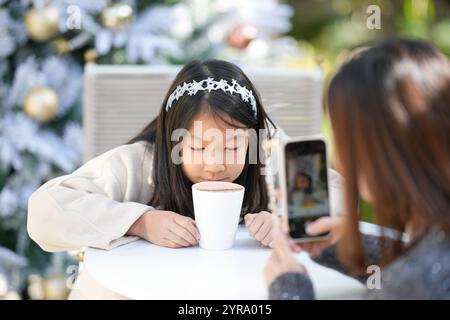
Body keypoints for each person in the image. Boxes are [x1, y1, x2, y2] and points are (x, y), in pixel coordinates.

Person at [27, 60, 278, 298]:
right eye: (199, 148)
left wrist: (284, 223)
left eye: (233, 147)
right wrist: (141, 222)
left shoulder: (269, 154)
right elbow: (44, 211)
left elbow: (313, 204)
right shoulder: (139, 163)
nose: (215, 165)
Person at [265, 38, 450, 299]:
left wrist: (288, 288)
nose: (339, 161)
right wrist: (351, 247)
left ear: (378, 153)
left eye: (343, 143)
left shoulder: (418, 283)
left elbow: (415, 278)